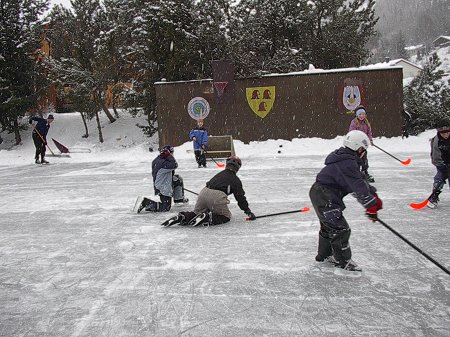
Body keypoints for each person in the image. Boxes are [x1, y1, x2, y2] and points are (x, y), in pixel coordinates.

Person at [309, 130, 383, 272]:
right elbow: (358, 186)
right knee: (340, 229)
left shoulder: (346, 160)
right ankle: (343, 261)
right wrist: (370, 205)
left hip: (320, 194)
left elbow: (360, 180)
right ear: (359, 148)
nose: (364, 153)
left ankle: (324, 256)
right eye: (364, 150)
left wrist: (374, 197)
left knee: (329, 227)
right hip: (325, 196)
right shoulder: (347, 163)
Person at [161, 155, 256, 227]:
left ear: (227, 165)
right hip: (216, 196)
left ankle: (183, 217)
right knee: (225, 217)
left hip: (204, 192)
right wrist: (248, 212)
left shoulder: (220, 174)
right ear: (237, 168)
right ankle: (207, 218)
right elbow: (240, 198)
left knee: (196, 214)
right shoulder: (236, 180)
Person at [137, 145, 188, 213]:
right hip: (162, 188)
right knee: (165, 208)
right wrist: (169, 156)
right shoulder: (163, 163)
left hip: (163, 184)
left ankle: (179, 200)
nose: (172, 155)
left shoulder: (159, 160)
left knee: (177, 179)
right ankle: (146, 202)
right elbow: (174, 165)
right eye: (171, 153)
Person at [349, 106, 374, 182]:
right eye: (360, 114)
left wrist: (370, 140)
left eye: (363, 114)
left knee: (364, 160)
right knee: (357, 160)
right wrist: (356, 142)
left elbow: (369, 132)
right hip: (356, 146)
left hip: (364, 146)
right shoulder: (354, 123)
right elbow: (352, 133)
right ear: (357, 115)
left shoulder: (366, 123)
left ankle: (365, 172)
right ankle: (356, 174)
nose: (361, 116)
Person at [427, 125, 450, 208]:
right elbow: (435, 156)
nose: (446, 135)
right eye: (443, 134)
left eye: (447, 133)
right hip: (441, 163)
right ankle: (434, 196)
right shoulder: (436, 141)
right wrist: (443, 166)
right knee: (439, 178)